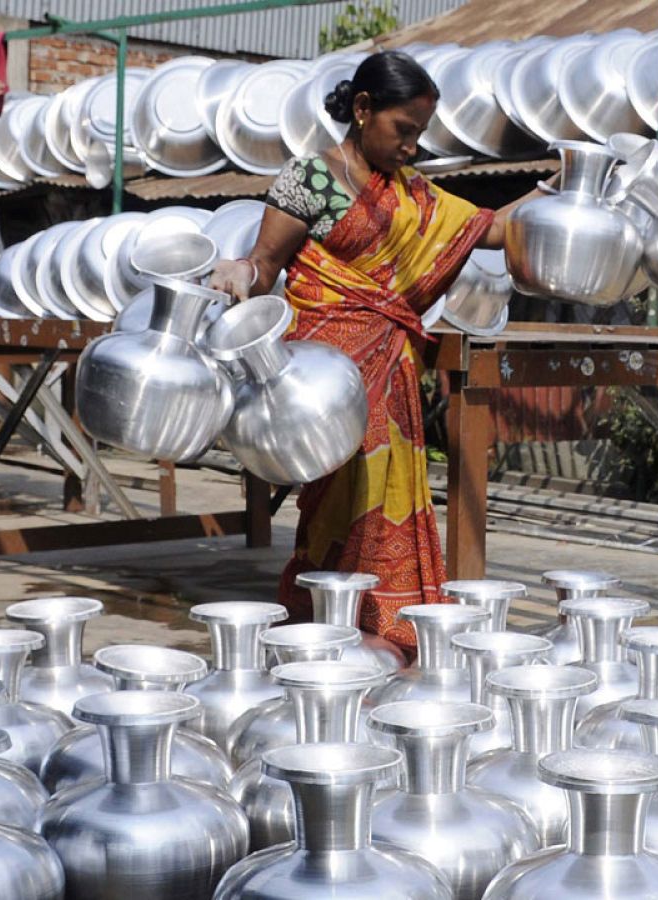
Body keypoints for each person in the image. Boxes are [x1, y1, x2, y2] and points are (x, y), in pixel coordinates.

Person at [207, 50, 544, 650]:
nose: (413, 147)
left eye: (419, 134)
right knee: (333, 510)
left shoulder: (414, 195)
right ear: (363, 110)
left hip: (390, 382)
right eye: (404, 130)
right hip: (324, 386)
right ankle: (318, 635)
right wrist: (237, 272)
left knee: (388, 502)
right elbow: (264, 266)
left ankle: (385, 638)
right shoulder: (310, 179)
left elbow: (489, 230)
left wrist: (557, 186)